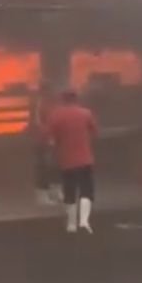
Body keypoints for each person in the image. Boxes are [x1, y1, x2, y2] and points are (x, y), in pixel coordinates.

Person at [46, 89, 98, 234]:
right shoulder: (86, 113)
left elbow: (50, 139)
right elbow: (95, 132)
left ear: (62, 100)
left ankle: (71, 224)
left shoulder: (55, 115)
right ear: (76, 99)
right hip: (85, 159)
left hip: (66, 160)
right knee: (86, 191)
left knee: (69, 191)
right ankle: (84, 221)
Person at [31, 79, 62, 206]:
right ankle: (42, 195)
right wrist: (48, 136)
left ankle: (55, 192)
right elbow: (38, 122)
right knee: (43, 167)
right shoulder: (39, 104)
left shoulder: (53, 104)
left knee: (55, 165)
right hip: (42, 140)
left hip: (53, 139)